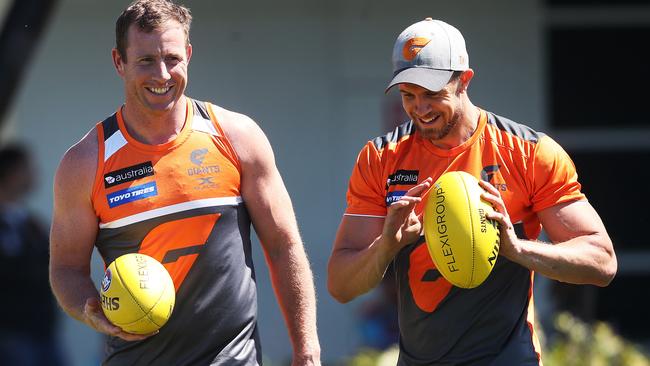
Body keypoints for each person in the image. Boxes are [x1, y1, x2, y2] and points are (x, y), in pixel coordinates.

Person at [327, 17, 617, 365]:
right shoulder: (381, 158)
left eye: (433, 94)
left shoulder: (528, 153)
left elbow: (601, 261)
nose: (420, 108)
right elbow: (341, 286)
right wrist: (386, 245)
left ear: (464, 80)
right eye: (409, 95)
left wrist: (516, 249)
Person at [49, 1, 321, 365]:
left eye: (172, 58)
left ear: (188, 55)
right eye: (146, 60)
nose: (162, 74)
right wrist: (90, 310)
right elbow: (66, 269)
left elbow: (284, 245)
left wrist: (306, 348)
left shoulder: (237, 136)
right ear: (119, 62)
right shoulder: (85, 163)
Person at [0, 144, 65, 366]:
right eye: (27, 167)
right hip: (10, 334)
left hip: (43, 332)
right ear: (11, 173)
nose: (34, 174)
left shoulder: (32, 223)